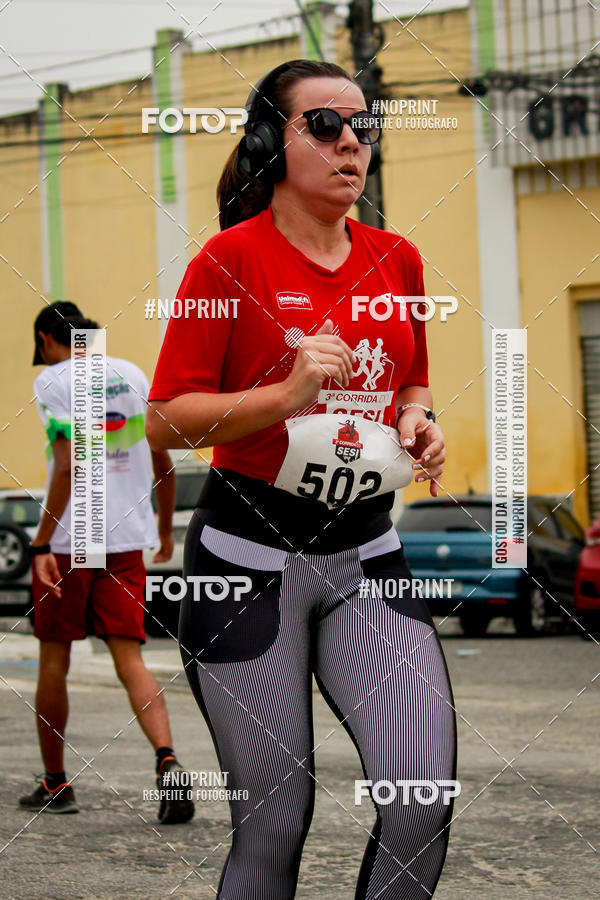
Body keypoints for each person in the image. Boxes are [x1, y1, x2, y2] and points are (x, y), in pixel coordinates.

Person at [146, 59, 456, 897]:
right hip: (246, 562)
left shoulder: (399, 261)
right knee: (276, 821)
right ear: (269, 142)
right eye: (324, 124)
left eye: (364, 126)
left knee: (422, 798)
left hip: (367, 553)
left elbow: (413, 383)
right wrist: (283, 394)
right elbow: (165, 420)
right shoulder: (226, 262)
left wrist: (418, 424)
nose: (351, 140)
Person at [19, 301, 194, 825]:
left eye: (43, 349)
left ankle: (56, 783)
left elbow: (70, 462)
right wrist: (162, 532)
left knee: (55, 658)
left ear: (50, 338)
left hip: (72, 541)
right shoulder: (133, 374)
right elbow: (163, 462)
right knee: (130, 659)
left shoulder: (53, 380)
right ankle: (167, 760)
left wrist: (40, 544)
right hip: (125, 539)